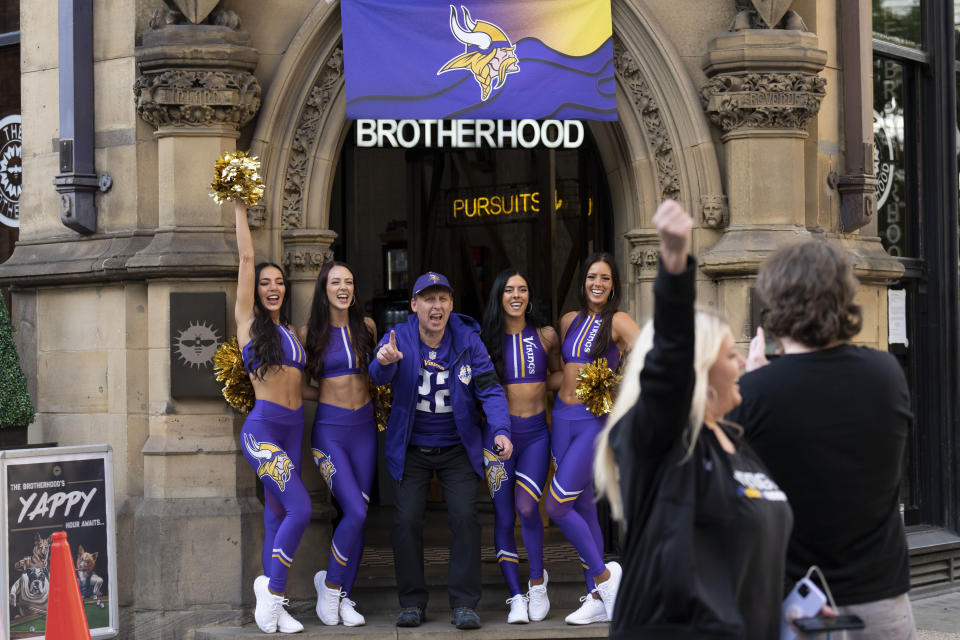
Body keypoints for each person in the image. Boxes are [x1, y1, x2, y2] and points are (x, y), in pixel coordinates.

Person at [594, 199, 794, 639]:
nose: (740, 360)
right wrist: (674, 263)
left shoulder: (734, 442)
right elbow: (667, 369)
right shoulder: (659, 445)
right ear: (697, 371)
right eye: (729, 354)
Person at [729, 240, 917, 639]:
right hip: (881, 601)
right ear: (845, 296)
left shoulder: (756, 393)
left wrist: (755, 379)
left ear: (777, 302)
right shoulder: (886, 374)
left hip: (795, 604)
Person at [369, 271, 514, 630]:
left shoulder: (468, 340)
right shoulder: (398, 336)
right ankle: (412, 603)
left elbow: (490, 389)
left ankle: (464, 604)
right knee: (405, 521)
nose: (437, 306)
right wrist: (384, 361)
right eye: (429, 299)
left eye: (443, 299)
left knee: (465, 518)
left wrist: (500, 430)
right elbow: (378, 373)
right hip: (411, 448)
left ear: (451, 305)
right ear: (414, 305)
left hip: (457, 448)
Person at [548, 251, 640, 625]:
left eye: (604, 278)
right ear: (583, 282)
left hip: (591, 425)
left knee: (556, 506)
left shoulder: (618, 320)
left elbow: (648, 353)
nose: (597, 284)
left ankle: (606, 577)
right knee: (583, 509)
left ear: (613, 284)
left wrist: (620, 386)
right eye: (591, 277)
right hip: (560, 421)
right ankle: (597, 600)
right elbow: (561, 374)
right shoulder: (570, 320)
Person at [233, 199, 311, 634]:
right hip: (262, 429)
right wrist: (239, 207)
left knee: (278, 515)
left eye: (279, 282)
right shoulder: (249, 323)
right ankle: (274, 591)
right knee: (299, 509)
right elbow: (246, 258)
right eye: (266, 282)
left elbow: (304, 386)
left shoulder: (292, 332)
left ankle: (274, 608)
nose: (273, 287)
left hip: (294, 428)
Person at [480, 269, 561, 624]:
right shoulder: (485, 342)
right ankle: (515, 596)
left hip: (535, 436)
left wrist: (588, 375)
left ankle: (537, 581)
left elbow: (559, 376)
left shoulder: (545, 336)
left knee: (529, 508)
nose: (516, 295)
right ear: (499, 297)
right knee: (504, 515)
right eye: (509, 289)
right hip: (496, 440)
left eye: (523, 289)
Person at [299, 260, 377, 627]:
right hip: (330, 432)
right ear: (324, 289)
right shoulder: (309, 333)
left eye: (348, 281)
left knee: (357, 517)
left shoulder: (367, 328)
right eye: (335, 282)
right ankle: (330, 588)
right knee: (356, 512)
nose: (343, 288)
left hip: (365, 430)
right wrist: (325, 394)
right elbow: (296, 385)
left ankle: (343, 594)